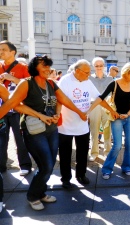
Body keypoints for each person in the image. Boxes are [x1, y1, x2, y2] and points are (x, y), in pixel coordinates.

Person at [0, 55, 87, 211]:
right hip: (34, 130)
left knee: (47, 164)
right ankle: (32, 196)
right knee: (46, 165)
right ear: (34, 68)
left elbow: (64, 99)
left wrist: (77, 112)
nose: (47, 69)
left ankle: (40, 192)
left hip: (51, 130)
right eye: (44, 66)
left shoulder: (51, 84)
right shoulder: (26, 84)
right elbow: (12, 103)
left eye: (49, 66)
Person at [89, 62, 130, 180]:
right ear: (125, 73)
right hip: (116, 118)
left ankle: (127, 167)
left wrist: (129, 113)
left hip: (129, 118)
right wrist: (90, 111)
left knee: (129, 144)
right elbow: (101, 98)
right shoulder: (114, 83)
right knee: (117, 145)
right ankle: (107, 169)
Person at [58, 59, 99, 189]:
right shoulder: (65, 81)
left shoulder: (87, 81)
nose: (89, 75)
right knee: (65, 154)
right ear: (77, 71)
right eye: (87, 72)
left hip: (82, 125)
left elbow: (98, 97)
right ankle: (65, 178)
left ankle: (81, 174)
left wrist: (88, 111)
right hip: (66, 125)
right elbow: (60, 100)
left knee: (82, 152)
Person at [0, 40, 32, 176]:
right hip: (2, 109)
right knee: (1, 139)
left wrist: (12, 79)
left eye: (3, 50)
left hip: (17, 109)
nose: (1, 52)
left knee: (20, 138)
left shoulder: (23, 67)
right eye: (0, 50)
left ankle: (25, 165)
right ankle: (1, 166)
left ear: (12, 52)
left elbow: (30, 86)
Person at [88, 57, 113, 161]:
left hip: (106, 106)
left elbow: (112, 94)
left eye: (101, 65)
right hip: (94, 106)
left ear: (104, 66)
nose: (99, 67)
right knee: (94, 130)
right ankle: (94, 153)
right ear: (93, 67)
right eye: (96, 66)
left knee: (108, 130)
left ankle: (107, 152)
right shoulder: (89, 78)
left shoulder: (110, 79)